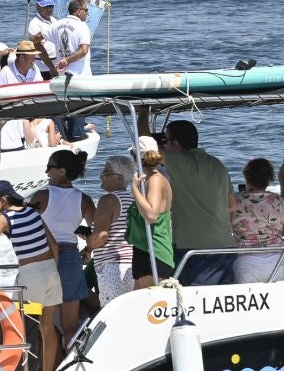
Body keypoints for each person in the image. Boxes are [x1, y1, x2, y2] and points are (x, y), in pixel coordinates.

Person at [0, 180, 63, 371]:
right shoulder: (33, 212)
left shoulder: (3, 219)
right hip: (52, 272)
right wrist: (52, 269)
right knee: (47, 326)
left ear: (2, 201)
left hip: (31, 274)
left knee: (22, 327)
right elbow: (54, 245)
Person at [29, 149, 101, 342]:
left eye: (50, 167)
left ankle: (47, 368)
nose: (46, 172)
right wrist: (88, 250)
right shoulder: (84, 199)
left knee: (43, 324)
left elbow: (26, 229)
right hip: (70, 259)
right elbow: (97, 232)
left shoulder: (41, 196)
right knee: (71, 326)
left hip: (43, 259)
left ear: (61, 171)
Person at [155, 118, 235, 286]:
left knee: (194, 303)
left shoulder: (181, 163)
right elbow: (232, 205)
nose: (165, 145)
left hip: (195, 248)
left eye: (165, 141)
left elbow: (148, 147)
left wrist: (141, 115)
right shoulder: (218, 164)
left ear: (175, 143)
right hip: (226, 245)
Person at [229, 158, 284, 283]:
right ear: (269, 179)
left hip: (246, 263)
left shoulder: (235, 200)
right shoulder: (278, 201)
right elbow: (282, 231)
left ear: (246, 177)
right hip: (277, 261)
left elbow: (227, 228)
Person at [128, 135, 175, 289]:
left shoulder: (155, 179)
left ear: (135, 158)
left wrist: (134, 190)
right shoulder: (149, 179)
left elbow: (151, 215)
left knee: (149, 308)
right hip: (145, 248)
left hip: (155, 251)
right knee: (138, 304)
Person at [87, 156, 134, 306]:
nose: (101, 176)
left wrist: (88, 247)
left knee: (115, 314)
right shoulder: (135, 199)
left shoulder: (108, 200)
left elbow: (100, 236)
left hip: (113, 267)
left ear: (119, 179)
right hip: (135, 265)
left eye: (106, 173)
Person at [50, 0, 95, 142]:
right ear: (79, 11)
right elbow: (83, 50)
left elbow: (37, 38)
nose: (87, 14)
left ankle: (63, 135)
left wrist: (50, 63)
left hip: (62, 76)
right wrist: (67, 60)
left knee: (64, 105)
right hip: (79, 76)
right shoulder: (82, 26)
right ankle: (76, 135)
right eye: (86, 11)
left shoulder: (57, 24)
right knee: (79, 106)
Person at [26, 0, 59, 74]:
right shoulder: (34, 23)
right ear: (37, 7)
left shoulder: (54, 20)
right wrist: (51, 67)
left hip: (57, 62)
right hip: (43, 66)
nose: (49, 9)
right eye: (45, 7)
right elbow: (38, 47)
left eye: (51, 6)